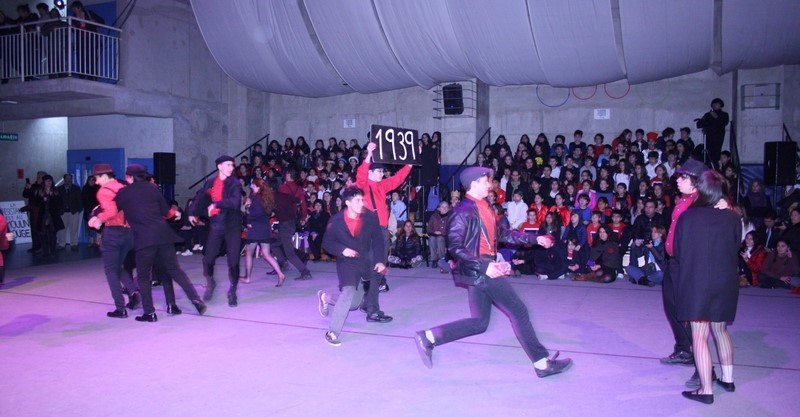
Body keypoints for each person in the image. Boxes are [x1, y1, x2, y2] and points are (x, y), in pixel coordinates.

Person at [413, 167, 572, 376]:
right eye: (486, 181)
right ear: (474, 184)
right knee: (519, 311)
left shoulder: (484, 206)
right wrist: (484, 266)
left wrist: (536, 239)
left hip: (483, 268)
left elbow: (503, 234)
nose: (490, 184)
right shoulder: (461, 211)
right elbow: (454, 246)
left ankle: (429, 337)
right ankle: (542, 363)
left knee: (479, 322)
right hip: (481, 269)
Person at [674, 170, 741, 404]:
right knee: (721, 330)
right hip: (725, 281)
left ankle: (705, 389)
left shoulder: (688, 217)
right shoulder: (733, 217)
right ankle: (728, 379)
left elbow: (678, 251)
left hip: (698, 282)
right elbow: (736, 246)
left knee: (699, 336)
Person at [115, 165, 207, 322]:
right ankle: (195, 300)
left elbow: (113, 210)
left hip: (144, 239)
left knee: (144, 276)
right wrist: (174, 213)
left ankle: (149, 312)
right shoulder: (153, 188)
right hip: (163, 235)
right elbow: (165, 211)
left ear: (129, 177)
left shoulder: (124, 193)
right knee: (174, 271)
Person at [316, 186, 390, 346]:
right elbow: (327, 243)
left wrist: (379, 261)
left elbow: (378, 239)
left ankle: (325, 297)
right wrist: (342, 250)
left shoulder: (370, 216)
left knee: (354, 304)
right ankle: (332, 333)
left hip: (365, 262)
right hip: (347, 263)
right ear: (348, 203)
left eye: (362, 200)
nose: (362, 203)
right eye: (358, 200)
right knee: (348, 292)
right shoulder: (336, 221)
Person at [357, 142, 413, 292]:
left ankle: (380, 281)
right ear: (370, 172)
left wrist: (410, 163)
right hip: (369, 227)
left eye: (383, 171)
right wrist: (369, 155)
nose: (382, 174)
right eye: (379, 171)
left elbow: (398, 178)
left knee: (381, 256)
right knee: (370, 256)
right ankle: (370, 281)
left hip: (382, 227)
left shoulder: (382, 185)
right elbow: (361, 174)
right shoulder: (364, 185)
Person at [189, 155, 244, 307]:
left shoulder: (234, 183)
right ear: (219, 166)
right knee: (207, 259)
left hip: (232, 227)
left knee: (233, 261)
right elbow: (200, 198)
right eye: (228, 165)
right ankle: (211, 282)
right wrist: (191, 212)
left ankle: (232, 290)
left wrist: (216, 204)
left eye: (232, 165)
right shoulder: (210, 182)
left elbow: (235, 202)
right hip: (216, 226)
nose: (231, 168)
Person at [87, 163, 140, 317]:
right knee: (117, 267)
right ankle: (134, 292)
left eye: (97, 178)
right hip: (128, 233)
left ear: (104, 176)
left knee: (110, 270)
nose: (96, 182)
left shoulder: (104, 190)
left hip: (113, 233)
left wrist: (98, 219)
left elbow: (111, 211)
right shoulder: (123, 187)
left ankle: (120, 308)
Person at [241, 178, 285, 286]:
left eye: (254, 185)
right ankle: (280, 274)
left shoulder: (256, 198)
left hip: (255, 229)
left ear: (258, 187)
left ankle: (248, 278)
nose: (252, 187)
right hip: (265, 228)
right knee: (266, 254)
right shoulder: (267, 198)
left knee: (249, 253)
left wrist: (247, 209)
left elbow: (253, 214)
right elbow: (268, 213)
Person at [273, 168, 313, 280]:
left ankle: (305, 271)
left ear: (288, 175)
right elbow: (304, 205)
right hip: (292, 221)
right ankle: (283, 264)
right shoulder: (299, 189)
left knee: (289, 252)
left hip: (285, 221)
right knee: (274, 244)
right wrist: (303, 217)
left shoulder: (282, 188)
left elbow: (277, 204)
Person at [695, 98, 730, 170]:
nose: (715, 105)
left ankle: (716, 168)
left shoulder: (724, 115)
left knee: (716, 153)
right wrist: (702, 121)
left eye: (717, 104)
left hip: (718, 137)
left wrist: (715, 116)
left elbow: (722, 123)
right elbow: (699, 124)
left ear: (720, 105)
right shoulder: (708, 114)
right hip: (709, 137)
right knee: (708, 153)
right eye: (714, 104)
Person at [57, 173, 83, 250]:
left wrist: (79, 209)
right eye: (67, 178)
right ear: (64, 179)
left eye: (70, 178)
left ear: (72, 179)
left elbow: (80, 199)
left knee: (74, 229)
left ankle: (74, 244)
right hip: (62, 212)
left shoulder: (76, 188)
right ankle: (62, 244)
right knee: (62, 229)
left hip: (73, 211)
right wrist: (58, 210)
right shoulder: (59, 189)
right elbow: (57, 200)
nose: (68, 180)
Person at [427, 201, 450, 272]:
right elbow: (429, 228)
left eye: (446, 207)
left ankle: (441, 259)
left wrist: (441, 233)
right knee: (431, 238)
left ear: (448, 209)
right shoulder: (434, 216)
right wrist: (434, 232)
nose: (444, 208)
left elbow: (451, 229)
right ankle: (434, 260)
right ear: (439, 208)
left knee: (440, 238)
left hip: (446, 237)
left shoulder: (450, 217)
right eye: (443, 207)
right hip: (434, 235)